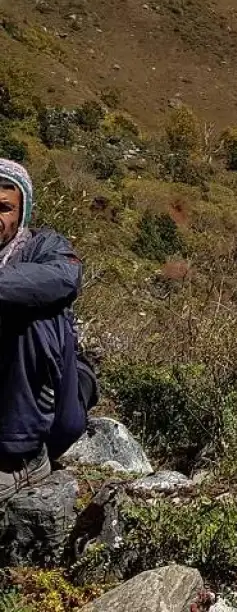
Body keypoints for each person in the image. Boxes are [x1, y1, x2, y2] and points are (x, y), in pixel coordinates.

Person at [0, 158, 89, 501]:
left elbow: (64, 278)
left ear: (21, 212)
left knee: (35, 312)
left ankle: (22, 459)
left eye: (4, 207)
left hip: (52, 411)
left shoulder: (44, 246)